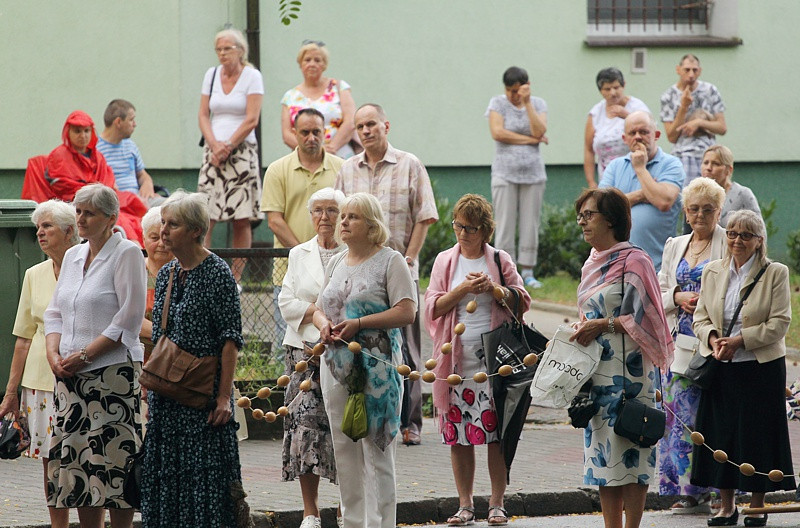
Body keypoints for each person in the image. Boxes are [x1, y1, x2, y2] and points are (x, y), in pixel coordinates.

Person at [140, 191, 247, 527]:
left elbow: (230, 340)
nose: (165, 231)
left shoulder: (217, 273)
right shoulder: (169, 272)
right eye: (163, 224)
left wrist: (224, 397)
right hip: (166, 399)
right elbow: (159, 337)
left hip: (202, 401)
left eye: (173, 224)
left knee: (206, 487)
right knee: (167, 486)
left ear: (196, 231)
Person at [424, 194, 531, 527]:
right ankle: (465, 504)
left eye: (470, 228)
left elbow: (522, 300)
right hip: (455, 365)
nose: (462, 233)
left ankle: (497, 503)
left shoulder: (499, 259)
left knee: (495, 435)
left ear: (485, 230)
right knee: (458, 436)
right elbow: (431, 306)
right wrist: (459, 292)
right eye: (458, 225)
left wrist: (494, 290)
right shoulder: (445, 261)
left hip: (496, 364)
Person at [44, 184, 146, 528]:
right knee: (80, 463)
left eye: (90, 212)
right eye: (78, 211)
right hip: (71, 378)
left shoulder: (127, 253)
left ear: (110, 218)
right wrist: (53, 353)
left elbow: (129, 319)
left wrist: (85, 355)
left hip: (111, 374)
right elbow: (54, 312)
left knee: (114, 461)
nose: (82, 218)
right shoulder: (73, 256)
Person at [335, 103, 438, 446]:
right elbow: (341, 220)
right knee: (362, 345)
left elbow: (424, 215)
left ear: (386, 125)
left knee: (406, 345)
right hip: (359, 273)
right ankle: (367, 412)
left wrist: (409, 258)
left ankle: (411, 421)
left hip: (398, 269)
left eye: (371, 124)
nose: (365, 131)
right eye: (359, 126)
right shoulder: (347, 170)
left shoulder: (410, 164)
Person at [312, 193, 416, 528]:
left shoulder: (390, 261)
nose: (342, 222)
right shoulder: (337, 261)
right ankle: (353, 522)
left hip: (378, 370)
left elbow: (407, 311)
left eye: (352, 217)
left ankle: (381, 524)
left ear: (372, 225)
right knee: (344, 448)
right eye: (343, 216)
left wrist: (359, 323)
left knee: (378, 449)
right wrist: (323, 325)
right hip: (336, 367)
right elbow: (317, 307)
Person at [572, 188, 673, 528]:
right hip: (598, 374)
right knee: (604, 458)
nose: (581, 221)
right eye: (581, 215)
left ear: (611, 220)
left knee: (634, 450)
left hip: (632, 375)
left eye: (589, 215)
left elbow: (646, 317)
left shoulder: (636, 260)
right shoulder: (591, 261)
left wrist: (603, 323)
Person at [691, 210, 796, 527]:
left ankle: (757, 504)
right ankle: (726, 506)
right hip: (721, 365)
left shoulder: (775, 273)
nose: (737, 240)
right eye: (732, 233)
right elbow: (700, 317)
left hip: (759, 366)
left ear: (759, 241)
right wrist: (713, 339)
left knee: (757, 435)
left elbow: (780, 323)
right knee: (721, 434)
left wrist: (740, 340)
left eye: (746, 235)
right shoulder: (712, 271)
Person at [0, 200, 78, 528]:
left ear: (69, 231)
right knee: (52, 461)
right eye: (37, 227)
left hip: (80, 374)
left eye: (47, 226)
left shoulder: (88, 267)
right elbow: (22, 337)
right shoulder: (34, 274)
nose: (39, 232)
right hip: (40, 381)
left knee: (85, 457)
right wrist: (10, 393)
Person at [657, 178, 727, 514]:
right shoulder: (675, 244)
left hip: (714, 343)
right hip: (678, 343)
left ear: (719, 211)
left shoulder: (729, 242)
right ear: (685, 212)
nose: (700, 215)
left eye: (708, 209)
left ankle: (720, 490)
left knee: (715, 417)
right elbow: (658, 289)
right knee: (680, 417)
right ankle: (688, 490)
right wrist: (676, 296)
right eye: (694, 209)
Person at [278, 187, 345, 528]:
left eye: (332, 210)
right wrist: (316, 316)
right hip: (302, 352)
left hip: (344, 350)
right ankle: (310, 512)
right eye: (318, 210)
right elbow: (286, 300)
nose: (325, 217)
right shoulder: (299, 253)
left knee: (344, 427)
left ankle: (348, 504)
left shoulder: (352, 253)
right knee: (305, 425)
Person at [263, 108, 344, 354]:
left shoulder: (342, 168)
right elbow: (274, 221)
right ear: (294, 134)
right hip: (290, 269)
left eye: (317, 132)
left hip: (340, 268)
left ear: (325, 133)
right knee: (291, 344)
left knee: (336, 344)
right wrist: (308, 253)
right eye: (305, 132)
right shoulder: (278, 169)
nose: (311, 137)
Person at [197, 27, 264, 282]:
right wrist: (215, 145)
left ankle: (233, 281)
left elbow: (252, 118)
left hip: (242, 151)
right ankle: (203, 274)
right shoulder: (211, 75)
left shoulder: (252, 76)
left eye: (227, 48)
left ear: (241, 50)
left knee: (241, 217)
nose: (222, 54)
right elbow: (203, 114)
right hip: (213, 152)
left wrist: (228, 146)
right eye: (219, 49)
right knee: (206, 215)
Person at [34, 110, 147, 245]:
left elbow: (107, 180)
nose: (83, 136)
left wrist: (100, 193)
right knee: (120, 218)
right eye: (77, 131)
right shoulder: (59, 156)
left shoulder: (97, 156)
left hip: (102, 200)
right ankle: (135, 246)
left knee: (133, 203)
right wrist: (92, 192)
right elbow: (63, 186)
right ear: (68, 132)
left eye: (86, 131)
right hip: (78, 203)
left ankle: (143, 243)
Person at [486, 66, 548, 288]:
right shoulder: (497, 103)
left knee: (530, 223)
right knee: (504, 223)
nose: (513, 95)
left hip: (533, 174)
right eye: (510, 90)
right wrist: (530, 140)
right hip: (505, 173)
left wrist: (527, 103)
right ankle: (503, 271)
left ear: (526, 86)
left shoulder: (538, 104)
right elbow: (498, 133)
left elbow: (539, 130)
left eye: (517, 90)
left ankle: (528, 271)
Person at [599, 111, 685, 272]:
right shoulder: (615, 166)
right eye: (632, 133)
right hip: (616, 265)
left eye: (644, 132)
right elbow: (601, 209)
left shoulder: (672, 164)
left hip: (657, 268)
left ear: (656, 135)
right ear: (625, 138)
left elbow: (663, 201)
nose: (638, 137)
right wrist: (641, 195)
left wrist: (640, 168)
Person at [281, 40, 357, 159]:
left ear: (324, 64)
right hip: (305, 158)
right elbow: (286, 134)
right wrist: (312, 151)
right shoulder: (290, 96)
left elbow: (351, 121)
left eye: (317, 60)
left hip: (339, 155)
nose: (312, 64)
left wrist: (331, 148)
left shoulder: (339, 88)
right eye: (307, 60)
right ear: (300, 63)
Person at [660, 54, 727, 187]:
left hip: (708, 154)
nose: (691, 74)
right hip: (683, 155)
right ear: (678, 70)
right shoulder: (668, 96)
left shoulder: (710, 90)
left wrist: (699, 123)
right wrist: (683, 107)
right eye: (687, 70)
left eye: (695, 70)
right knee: (688, 199)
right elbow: (671, 136)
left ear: (700, 71)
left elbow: (722, 127)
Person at [584, 67, 650, 188]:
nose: (612, 93)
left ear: (623, 85)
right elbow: (588, 150)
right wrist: (591, 182)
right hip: (606, 177)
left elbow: (650, 134)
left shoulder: (637, 107)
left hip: (635, 174)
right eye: (607, 89)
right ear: (600, 91)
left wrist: (627, 116)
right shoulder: (595, 113)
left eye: (616, 87)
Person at [97, 99, 159, 205]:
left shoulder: (130, 146)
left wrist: (147, 183)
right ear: (118, 122)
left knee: (172, 207)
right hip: (116, 203)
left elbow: (142, 175)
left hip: (139, 199)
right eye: (131, 120)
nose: (135, 124)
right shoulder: (96, 149)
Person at [139, 206, 174, 358]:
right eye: (154, 238)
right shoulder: (133, 270)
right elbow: (128, 320)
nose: (161, 243)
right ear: (143, 238)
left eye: (166, 237)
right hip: (138, 360)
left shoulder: (186, 272)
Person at [700, 145, 761, 228]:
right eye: (706, 163)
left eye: (715, 164)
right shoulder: (697, 195)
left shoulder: (742, 194)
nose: (708, 168)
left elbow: (760, 231)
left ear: (729, 170)